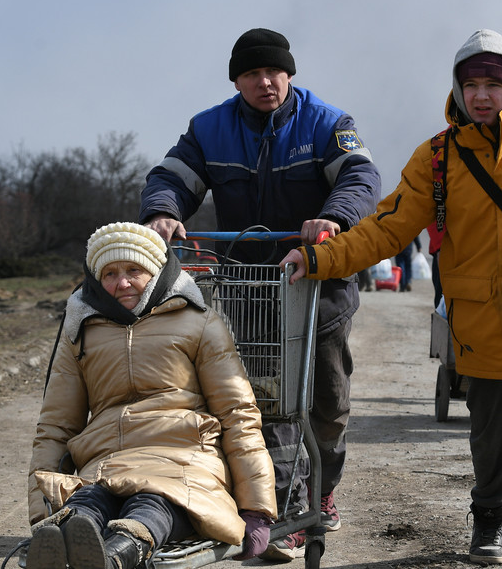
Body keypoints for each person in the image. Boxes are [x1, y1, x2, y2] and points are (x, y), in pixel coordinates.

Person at [280, 29, 502, 569]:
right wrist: (320, 259)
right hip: (480, 326)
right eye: (472, 85)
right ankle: (489, 518)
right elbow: (387, 230)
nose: (482, 95)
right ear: (459, 91)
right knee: (491, 442)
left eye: (493, 83)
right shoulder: (437, 158)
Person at [139, 28, 382, 560]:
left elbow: (362, 177)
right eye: (251, 74)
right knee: (261, 401)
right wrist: (164, 211)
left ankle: (324, 488)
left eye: (273, 72)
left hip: (319, 284)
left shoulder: (327, 124)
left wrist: (335, 217)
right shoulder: (209, 129)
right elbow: (172, 176)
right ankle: (284, 507)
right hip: (249, 288)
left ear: (290, 74)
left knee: (326, 401)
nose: (265, 82)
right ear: (237, 81)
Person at [26, 222, 276, 569]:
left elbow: (238, 414)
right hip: (106, 463)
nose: (122, 283)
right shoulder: (80, 333)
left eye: (133, 270)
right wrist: (43, 511)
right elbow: (55, 425)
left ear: (156, 271)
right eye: (110, 273)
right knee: (88, 502)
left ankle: (116, 555)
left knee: (151, 502)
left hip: (184, 458)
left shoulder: (200, 323)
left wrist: (257, 509)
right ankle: (65, 540)